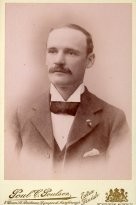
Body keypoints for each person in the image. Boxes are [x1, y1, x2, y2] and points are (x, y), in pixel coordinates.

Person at [5, 23, 131, 180]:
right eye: (52, 51)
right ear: (45, 57)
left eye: (71, 53)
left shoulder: (114, 119)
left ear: (89, 60)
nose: (58, 60)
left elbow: (121, 183)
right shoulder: (19, 114)